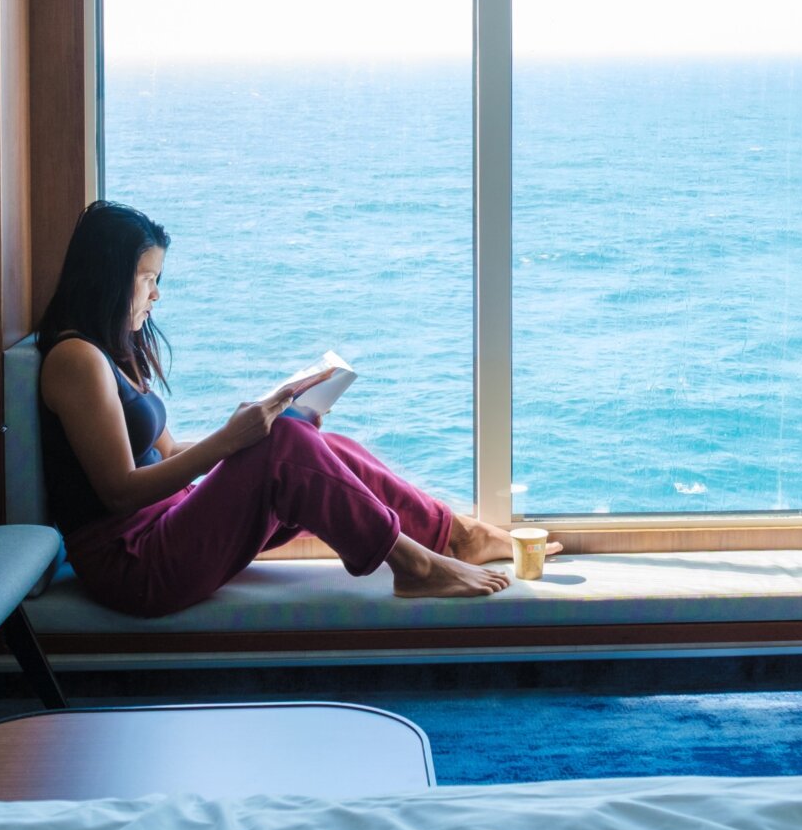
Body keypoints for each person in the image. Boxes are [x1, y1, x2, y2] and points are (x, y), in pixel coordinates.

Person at [37, 201, 556, 617]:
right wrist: (236, 440)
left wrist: (258, 424)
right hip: (135, 565)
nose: (156, 295)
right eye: (148, 279)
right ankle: (416, 566)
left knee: (313, 441)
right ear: (108, 278)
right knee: (286, 444)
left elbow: (167, 451)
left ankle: (455, 536)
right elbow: (118, 491)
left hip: (166, 526)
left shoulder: (113, 352)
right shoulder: (75, 359)